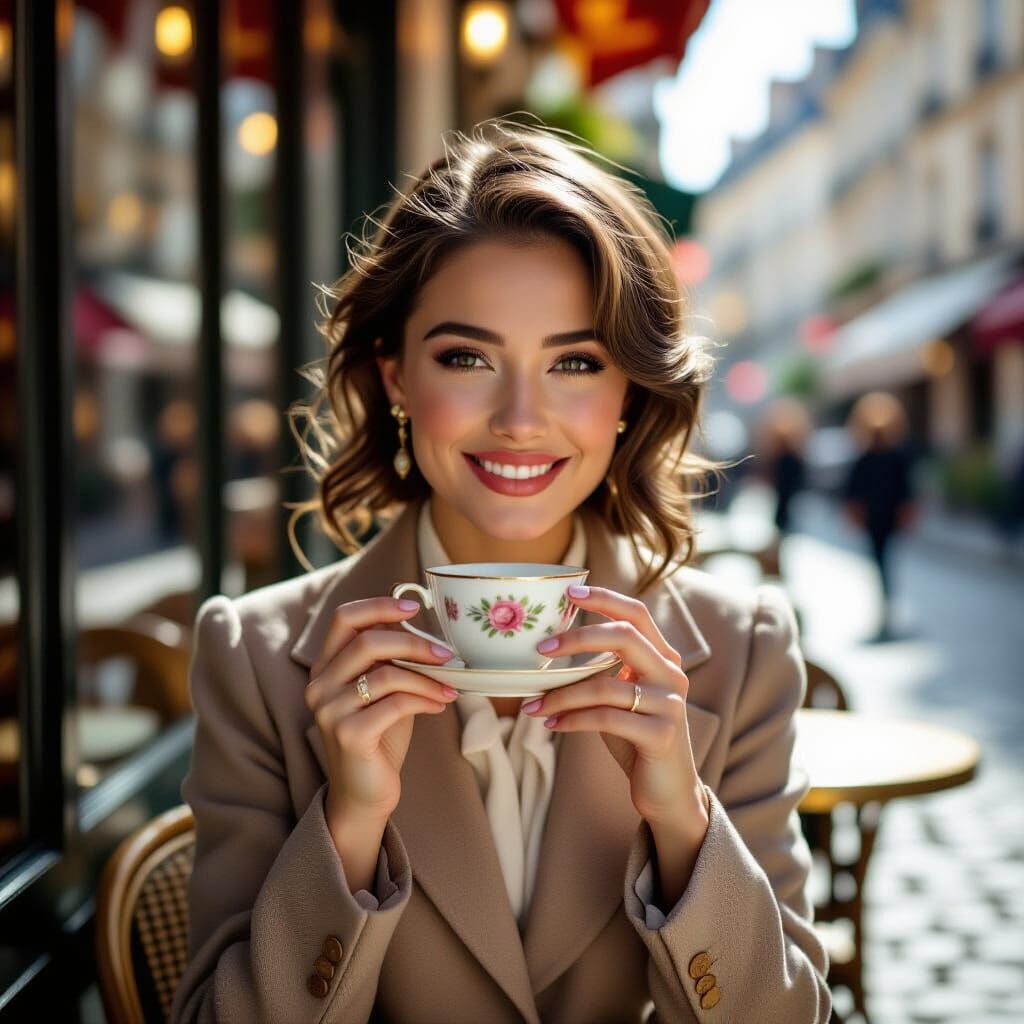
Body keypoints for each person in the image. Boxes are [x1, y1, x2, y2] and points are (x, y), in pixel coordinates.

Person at [170, 119, 831, 1023]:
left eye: (575, 362)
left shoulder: (739, 647)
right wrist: (350, 821)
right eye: (467, 358)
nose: (521, 419)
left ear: (629, 390)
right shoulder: (255, 657)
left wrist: (684, 822)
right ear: (395, 373)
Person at [842, 391, 918, 641]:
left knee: (883, 566)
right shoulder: (865, 459)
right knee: (880, 566)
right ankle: (885, 613)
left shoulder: (896, 458)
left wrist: (906, 514)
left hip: (886, 520)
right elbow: (853, 493)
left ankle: (887, 613)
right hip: (874, 521)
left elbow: (906, 492)